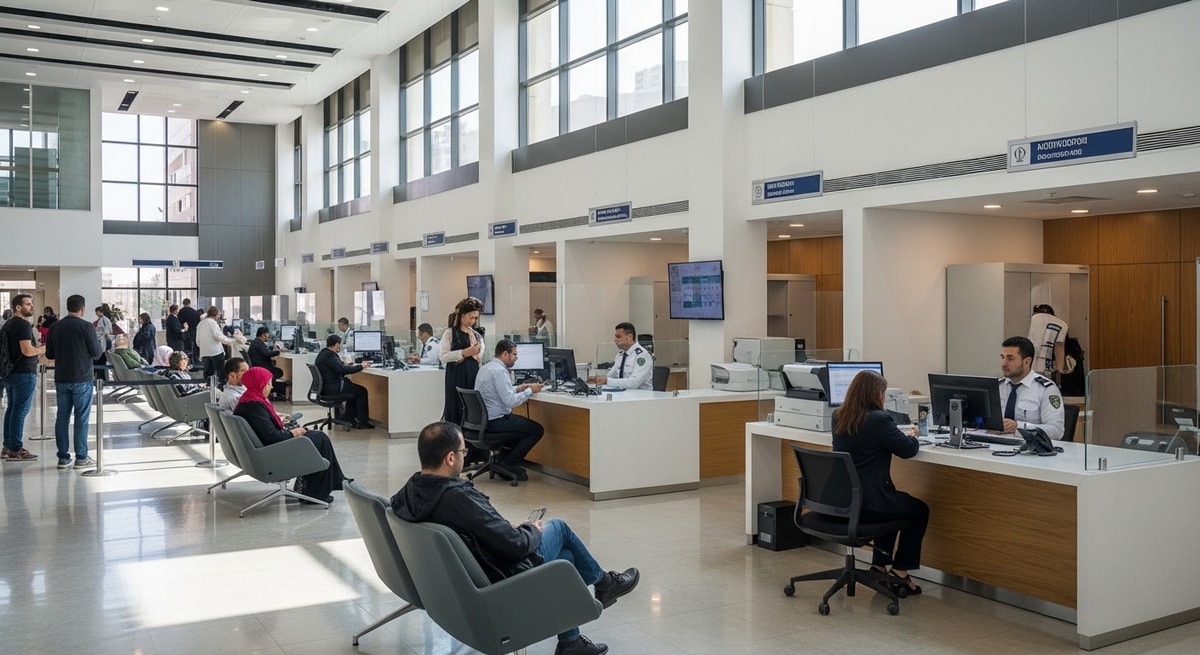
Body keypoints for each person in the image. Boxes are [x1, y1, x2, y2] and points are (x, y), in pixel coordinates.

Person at [391, 421, 639, 655]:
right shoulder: (457, 498)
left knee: (564, 559)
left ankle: (571, 642)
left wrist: (505, 527)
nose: (465, 456)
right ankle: (605, 584)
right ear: (450, 458)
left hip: (470, 575)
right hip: (504, 575)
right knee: (559, 529)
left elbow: (472, 527)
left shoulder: (412, 492)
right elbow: (516, 546)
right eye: (464, 451)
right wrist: (532, 530)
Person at [831, 369, 929, 596]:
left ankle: (878, 566)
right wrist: (913, 436)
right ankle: (900, 572)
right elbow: (907, 450)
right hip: (871, 504)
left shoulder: (839, 416)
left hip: (843, 501)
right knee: (919, 510)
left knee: (894, 504)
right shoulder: (879, 419)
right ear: (876, 394)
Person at [235, 366, 348, 503]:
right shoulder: (255, 406)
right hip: (273, 454)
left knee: (315, 436)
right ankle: (318, 492)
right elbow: (274, 437)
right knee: (320, 438)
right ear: (259, 384)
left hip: (264, 451)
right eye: (268, 384)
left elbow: (266, 430)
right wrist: (294, 432)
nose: (271, 387)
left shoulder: (248, 401)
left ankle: (328, 484)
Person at [45, 294, 104, 469]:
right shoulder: (86, 326)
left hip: (61, 378)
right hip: (82, 378)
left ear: (67, 307)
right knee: (81, 418)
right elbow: (96, 353)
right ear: (83, 308)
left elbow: (49, 354)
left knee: (62, 418)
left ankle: (63, 458)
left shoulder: (55, 327)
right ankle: (81, 457)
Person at [473, 339, 545, 480]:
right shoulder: (500, 371)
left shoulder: (486, 367)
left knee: (524, 427)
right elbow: (511, 402)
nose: (516, 358)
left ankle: (504, 461)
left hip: (483, 421)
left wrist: (517, 388)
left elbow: (498, 392)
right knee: (536, 430)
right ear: (505, 354)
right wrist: (530, 390)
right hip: (496, 422)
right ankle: (508, 464)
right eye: (514, 354)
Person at [2, 294, 45, 462]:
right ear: (18, 307)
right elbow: (27, 350)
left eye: (31, 303)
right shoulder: (23, 325)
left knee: (12, 409)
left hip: (10, 372)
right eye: (28, 304)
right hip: (24, 373)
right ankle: (15, 448)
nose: (31, 306)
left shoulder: (8, 325)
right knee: (20, 411)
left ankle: (8, 446)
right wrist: (42, 349)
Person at [999, 336, 1065, 440]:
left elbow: (1056, 431)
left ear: (1027, 362)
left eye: (1010, 359)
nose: (1003, 363)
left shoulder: (1046, 389)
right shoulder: (998, 386)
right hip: (994, 445)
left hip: (1029, 447)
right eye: (1002, 357)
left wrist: (1018, 427)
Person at [440, 297, 484, 426]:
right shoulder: (450, 333)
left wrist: (476, 354)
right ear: (462, 315)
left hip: (473, 374)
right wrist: (464, 353)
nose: (473, 321)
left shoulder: (477, 335)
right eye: (471, 317)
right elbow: (443, 356)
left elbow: (480, 357)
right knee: (456, 405)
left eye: (476, 318)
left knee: (472, 406)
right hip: (456, 375)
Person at [315, 335, 373, 429]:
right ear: (337, 345)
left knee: (352, 388)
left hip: (327, 387)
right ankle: (362, 422)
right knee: (361, 391)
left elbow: (337, 366)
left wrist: (345, 364)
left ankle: (350, 418)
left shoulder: (324, 353)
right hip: (332, 388)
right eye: (340, 345)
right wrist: (361, 366)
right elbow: (342, 370)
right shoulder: (330, 355)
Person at [597, 322, 653, 390]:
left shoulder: (642, 355)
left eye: (618, 337)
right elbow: (610, 376)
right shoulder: (620, 355)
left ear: (629, 337)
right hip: (623, 394)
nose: (615, 340)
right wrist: (597, 380)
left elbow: (634, 383)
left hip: (641, 395)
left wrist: (607, 381)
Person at [196, 305, 243, 383]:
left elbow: (197, 341)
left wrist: (204, 346)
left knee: (207, 374)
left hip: (204, 353)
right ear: (215, 315)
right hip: (215, 352)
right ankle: (221, 388)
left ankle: (208, 388)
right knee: (221, 373)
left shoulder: (200, 324)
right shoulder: (213, 323)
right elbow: (219, 337)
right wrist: (233, 340)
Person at [1027, 304, 1069, 379]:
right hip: (1046, 368)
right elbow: (1058, 348)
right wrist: (1060, 371)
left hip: (1028, 365)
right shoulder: (1062, 325)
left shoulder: (1033, 320)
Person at [248, 326, 288, 401]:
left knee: (277, 371)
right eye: (267, 334)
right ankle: (269, 388)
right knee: (279, 372)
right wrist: (278, 352)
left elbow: (265, 351)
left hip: (258, 365)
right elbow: (267, 353)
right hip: (262, 366)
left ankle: (269, 388)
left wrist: (274, 350)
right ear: (263, 335)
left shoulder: (256, 342)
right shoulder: (259, 343)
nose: (268, 336)